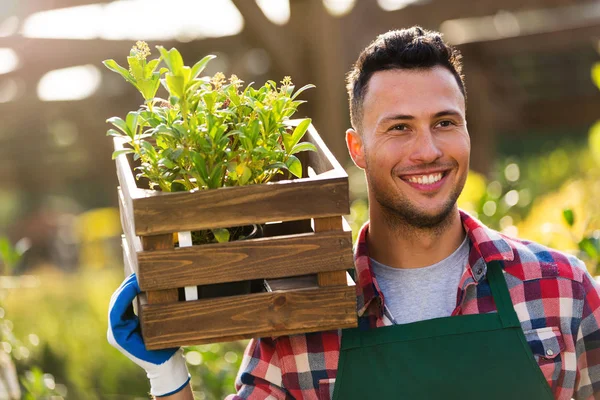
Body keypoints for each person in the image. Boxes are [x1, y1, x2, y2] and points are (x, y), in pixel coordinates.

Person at [108, 26, 600, 399]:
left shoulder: (561, 289)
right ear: (356, 148)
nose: (428, 150)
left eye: (445, 122)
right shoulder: (298, 321)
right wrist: (168, 377)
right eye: (399, 128)